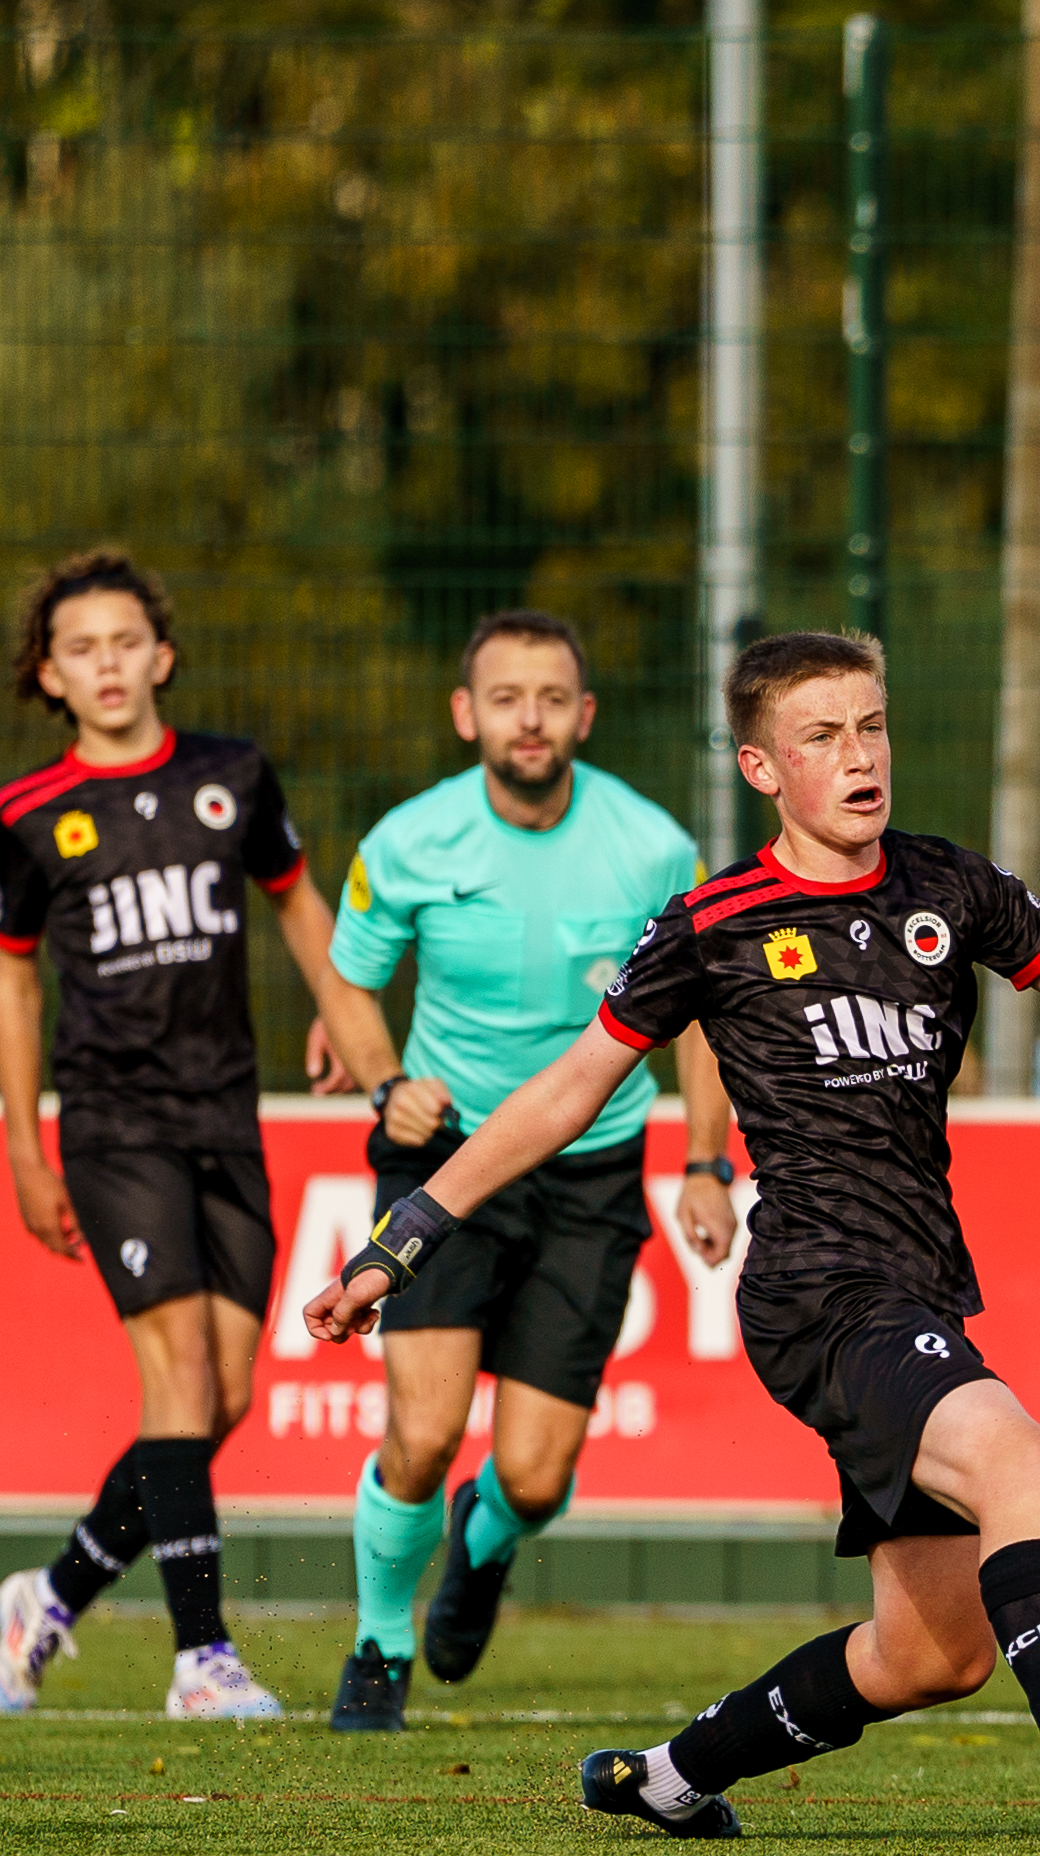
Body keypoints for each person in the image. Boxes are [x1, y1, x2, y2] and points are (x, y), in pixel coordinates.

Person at [303, 629, 1040, 1854]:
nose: (859, 757)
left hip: (917, 1287)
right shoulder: (716, 919)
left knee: (935, 1652)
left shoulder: (950, 887)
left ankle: (670, 1774)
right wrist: (405, 1238)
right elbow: (564, 1092)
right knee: (1027, 1461)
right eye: (822, 737)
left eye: (872, 726)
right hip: (820, 1289)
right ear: (763, 768)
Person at [307, 610, 737, 1730]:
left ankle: (483, 1539)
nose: (529, 718)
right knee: (422, 1429)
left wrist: (700, 1160)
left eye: (552, 697)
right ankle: (379, 1645)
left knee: (536, 1476)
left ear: (584, 717)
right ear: (467, 715)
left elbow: (697, 1020)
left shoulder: (651, 847)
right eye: (506, 697)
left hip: (592, 1171)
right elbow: (348, 981)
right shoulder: (408, 840)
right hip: (445, 1156)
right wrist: (381, 1079)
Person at [0, 549, 354, 1719]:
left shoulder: (232, 775)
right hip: (110, 1126)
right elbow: (13, 986)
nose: (106, 664)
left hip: (226, 1118)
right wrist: (24, 1148)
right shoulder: (27, 815)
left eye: (125, 641)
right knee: (179, 1379)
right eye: (80, 648)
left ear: (162, 654)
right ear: (51, 673)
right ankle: (202, 1657)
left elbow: (295, 898)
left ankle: (53, 1592)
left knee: (219, 1397)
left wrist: (354, 1026)